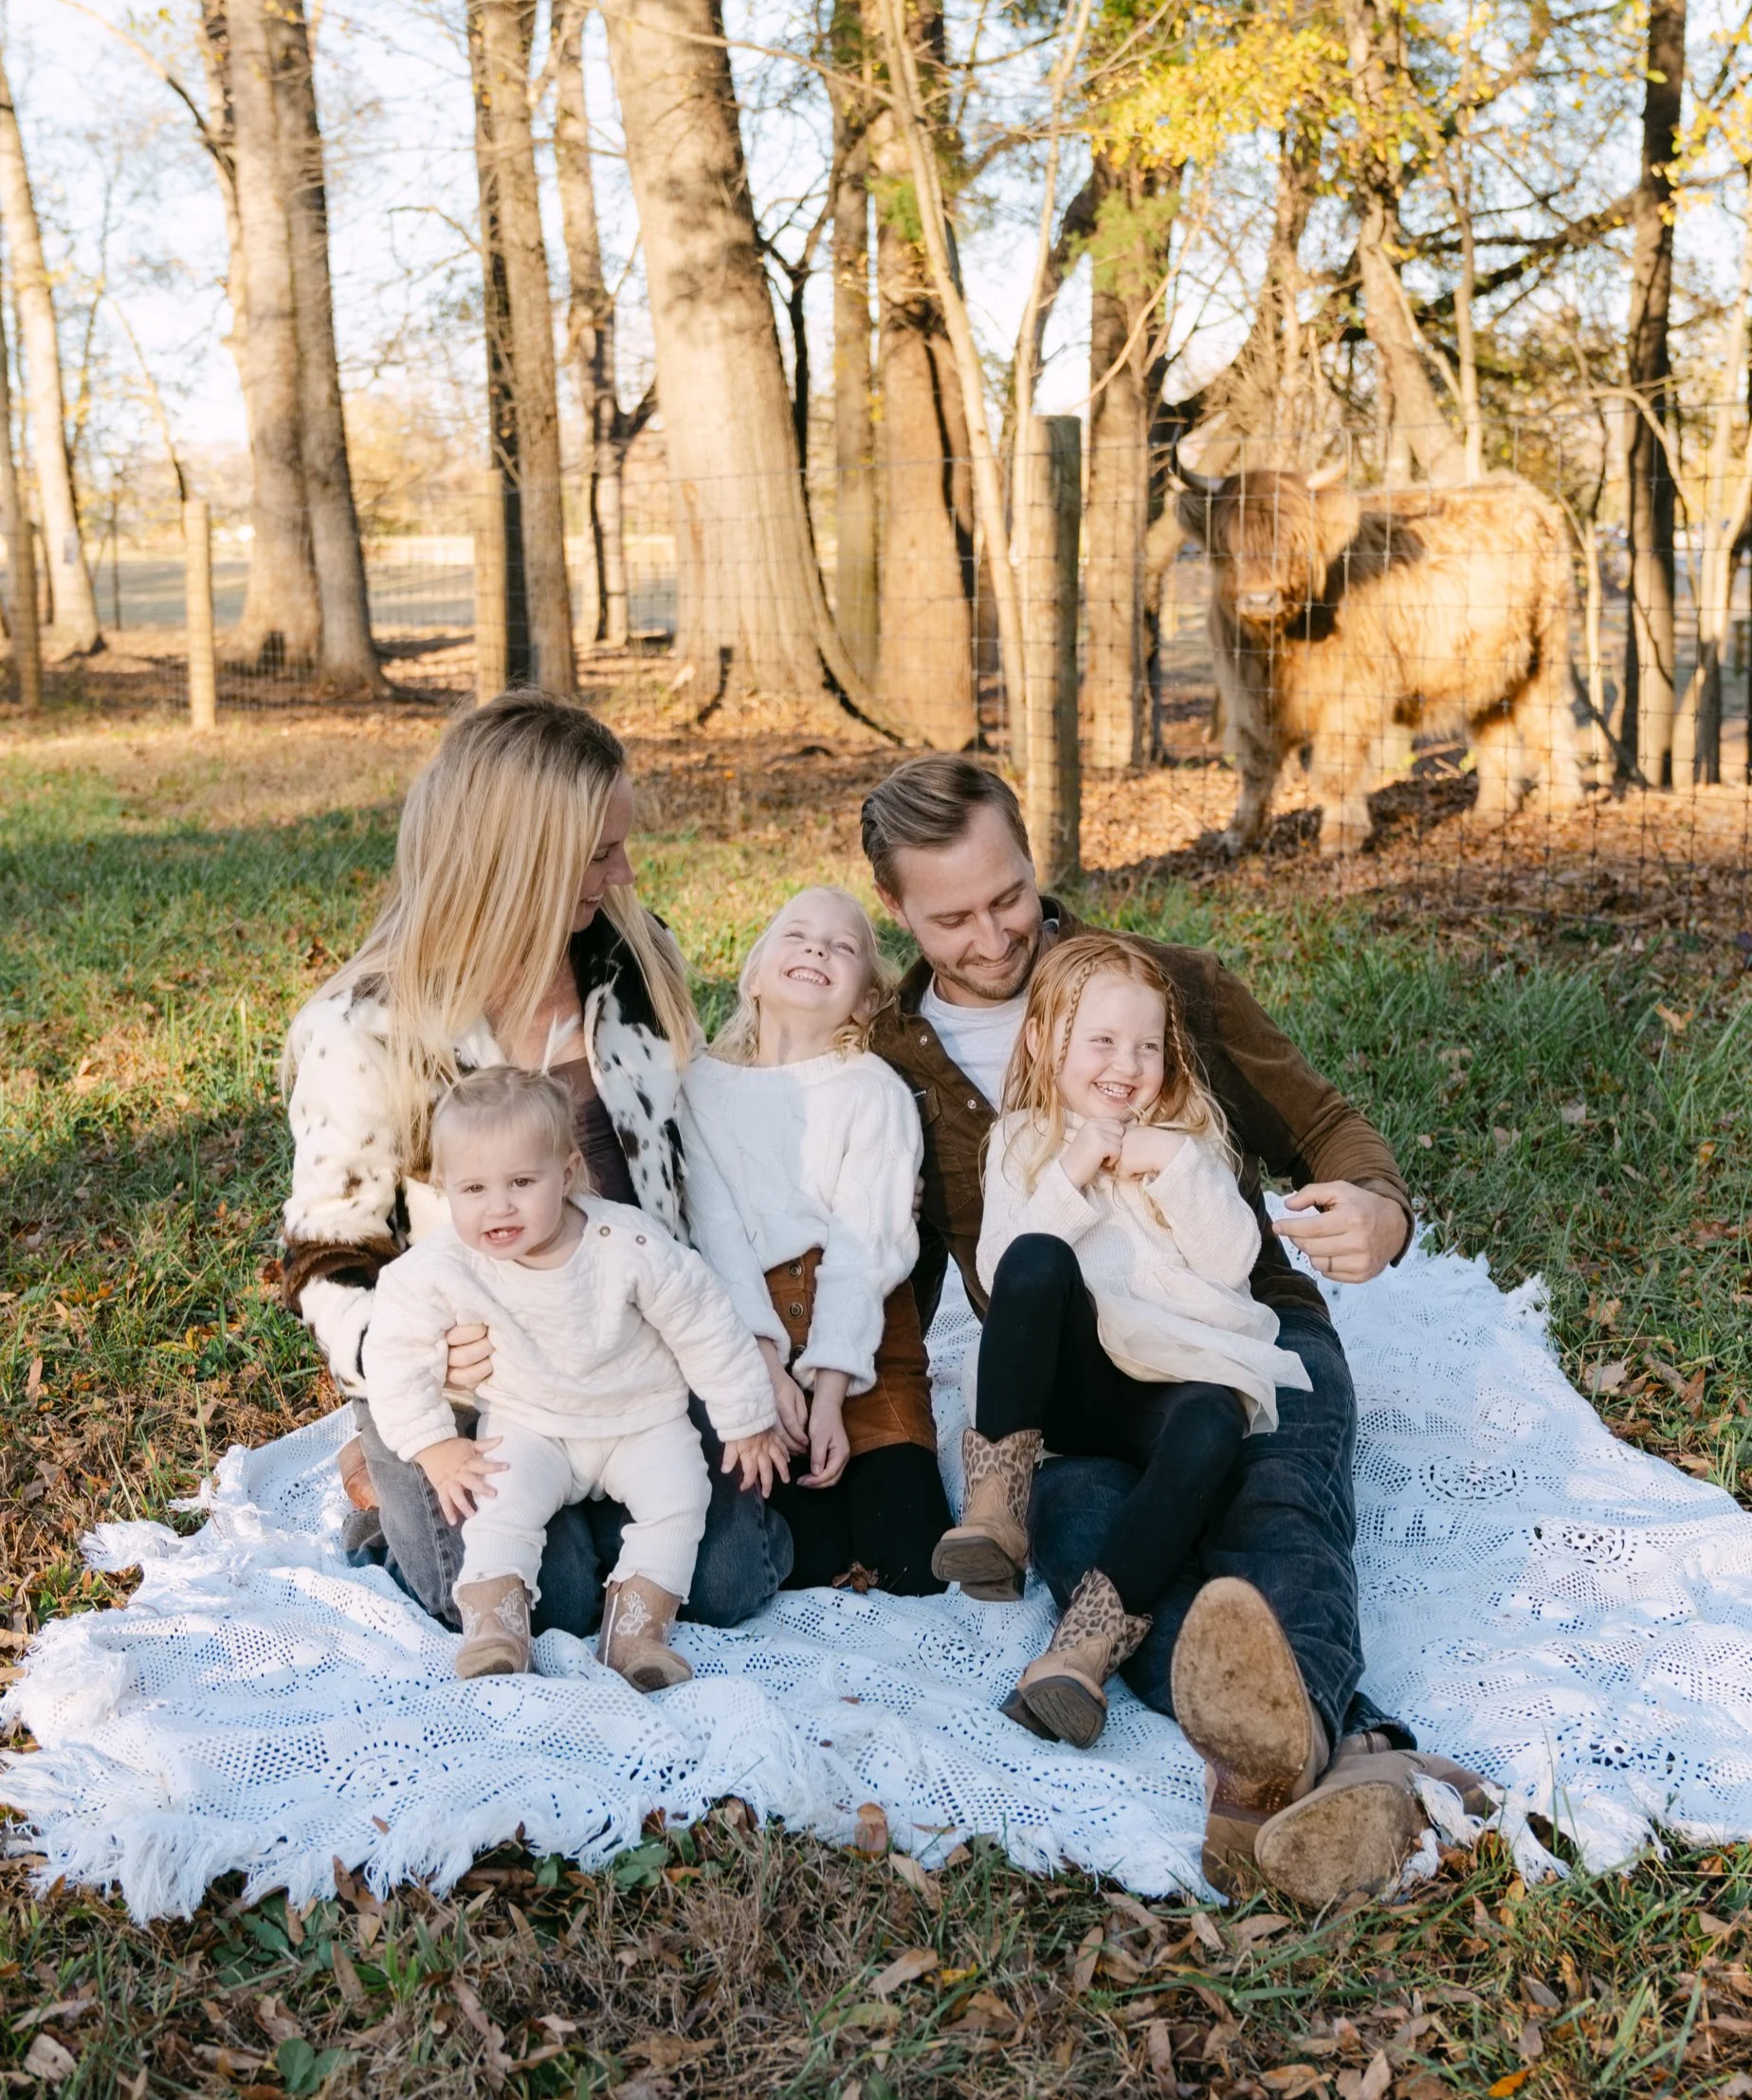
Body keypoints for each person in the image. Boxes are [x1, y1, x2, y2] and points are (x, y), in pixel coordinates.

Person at [864, 754, 1488, 1906]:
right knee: (1093, 1534)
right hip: (1070, 1374)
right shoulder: (882, 1060)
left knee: (1274, 1505)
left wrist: (1380, 1212)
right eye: (951, 918)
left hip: (1231, 1329)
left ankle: (1294, 1769)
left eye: (1009, 896)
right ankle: (1320, 1756)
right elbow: (874, 1270)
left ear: (1033, 862)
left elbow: (1326, 1124)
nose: (996, 936)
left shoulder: (1162, 991)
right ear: (895, 911)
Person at [280, 692, 794, 1637]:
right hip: (475, 1396)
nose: (625, 871)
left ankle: (599, 1507)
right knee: (543, 1601)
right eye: (599, 853)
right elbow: (324, 1260)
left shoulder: (631, 963)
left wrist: (747, 1339)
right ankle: (384, 1488)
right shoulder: (364, 1029)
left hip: (628, 1360)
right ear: (519, 861)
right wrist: (418, 1362)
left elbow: (690, 1179)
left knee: (726, 1581)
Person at [940, 933, 1313, 1747]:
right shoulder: (1024, 1141)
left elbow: (1233, 1261)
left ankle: (1081, 1652)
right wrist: (1072, 1171)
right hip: (1077, 1392)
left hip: (1169, 1386)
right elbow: (1006, 1278)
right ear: (1045, 1040)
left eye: (1147, 1045)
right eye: (1101, 1041)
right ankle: (997, 1510)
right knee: (1038, 1256)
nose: (1126, 1063)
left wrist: (1173, 1165)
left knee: (1216, 1422)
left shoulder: (1190, 1138)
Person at [363, 1067, 788, 1686]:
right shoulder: (438, 1267)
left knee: (679, 1499)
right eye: (473, 1188)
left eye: (521, 1182)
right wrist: (433, 1443)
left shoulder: (625, 1241)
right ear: (443, 1189)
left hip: (641, 1416)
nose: (498, 1206)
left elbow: (704, 1320)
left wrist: (746, 1418)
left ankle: (637, 1632)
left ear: (564, 1175)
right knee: (497, 1504)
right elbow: (394, 1351)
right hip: (529, 1419)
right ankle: (496, 1628)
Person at [679, 887, 951, 1596]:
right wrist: (764, 1371)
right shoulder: (700, 1090)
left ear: (865, 999)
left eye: (843, 946)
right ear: (755, 973)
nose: (817, 950)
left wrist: (830, 1392)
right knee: (806, 1561)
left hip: (868, 1352)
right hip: (751, 1349)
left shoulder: (873, 1090)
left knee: (912, 1566)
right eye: (796, 935)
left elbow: (867, 1247)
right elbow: (717, 1237)